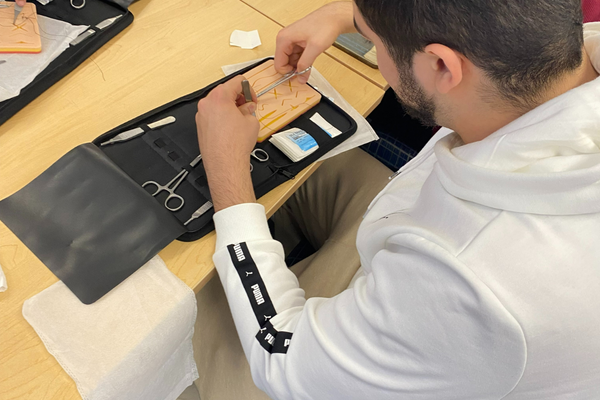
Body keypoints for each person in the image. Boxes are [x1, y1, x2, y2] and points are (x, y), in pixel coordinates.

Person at [191, 0, 600, 399]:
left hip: (405, 349)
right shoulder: (557, 62)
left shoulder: (477, 282)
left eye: (373, 40)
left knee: (181, 319)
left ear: (442, 65)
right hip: (423, 254)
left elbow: (280, 356)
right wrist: (350, 14)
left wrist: (227, 173)